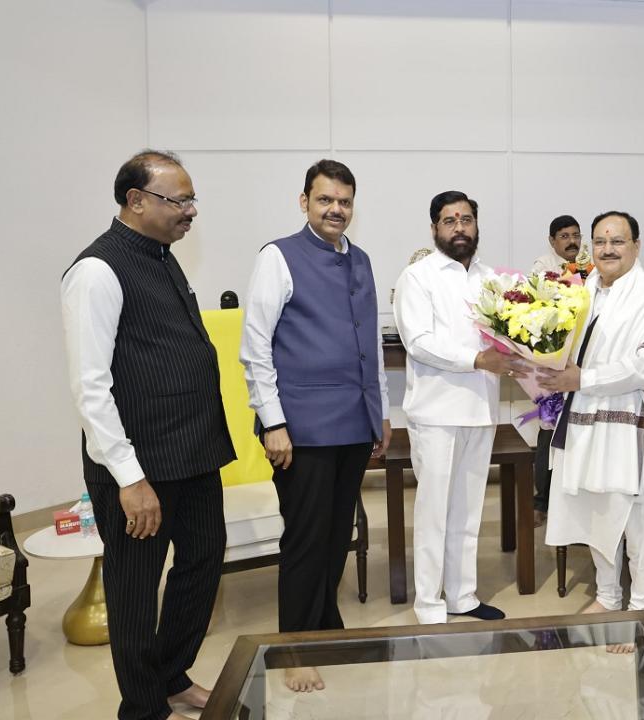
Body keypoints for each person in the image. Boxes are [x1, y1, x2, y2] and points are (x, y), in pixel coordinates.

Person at [61, 150, 234, 720]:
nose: (190, 212)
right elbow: (91, 388)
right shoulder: (96, 271)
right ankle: (142, 707)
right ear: (136, 201)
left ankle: (170, 676)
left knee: (204, 561)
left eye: (191, 200)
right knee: (134, 591)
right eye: (178, 200)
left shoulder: (161, 256)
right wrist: (129, 480)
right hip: (138, 467)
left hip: (193, 453)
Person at [239, 159, 391, 692]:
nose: (335, 210)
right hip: (300, 425)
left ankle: (326, 626)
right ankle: (293, 648)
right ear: (303, 201)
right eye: (325, 200)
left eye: (344, 201)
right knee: (305, 538)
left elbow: (369, 342)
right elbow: (255, 346)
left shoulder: (363, 260)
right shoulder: (278, 256)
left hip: (354, 420)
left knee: (335, 535)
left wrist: (381, 410)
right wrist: (272, 422)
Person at [394, 190, 526, 624]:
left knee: (469, 509)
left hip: (481, 408)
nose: (459, 228)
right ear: (434, 228)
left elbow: (512, 335)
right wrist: (478, 360)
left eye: (466, 219)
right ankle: (430, 603)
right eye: (449, 221)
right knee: (434, 511)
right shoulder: (419, 277)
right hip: (435, 412)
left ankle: (463, 596)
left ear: (476, 225)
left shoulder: (494, 280)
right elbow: (419, 342)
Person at [540, 210, 644, 619]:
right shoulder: (582, 292)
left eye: (617, 241)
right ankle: (608, 596)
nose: (608, 249)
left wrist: (585, 379)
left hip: (632, 425)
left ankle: (641, 607)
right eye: (599, 241)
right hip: (585, 421)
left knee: (639, 521)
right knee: (597, 512)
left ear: (636, 245)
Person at [531, 214, 583, 525]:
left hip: (581, 364)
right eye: (564, 236)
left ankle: (570, 500)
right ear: (553, 241)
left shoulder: (590, 266)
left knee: (576, 431)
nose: (571, 241)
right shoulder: (542, 268)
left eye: (575, 235)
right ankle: (541, 502)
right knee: (548, 432)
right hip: (550, 362)